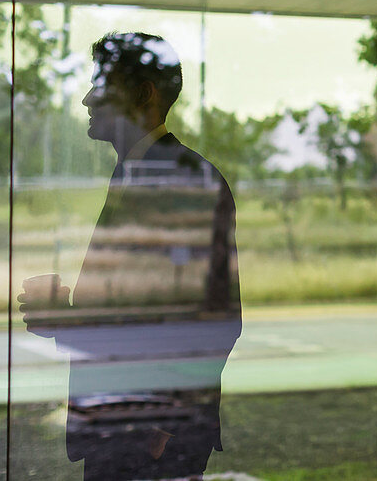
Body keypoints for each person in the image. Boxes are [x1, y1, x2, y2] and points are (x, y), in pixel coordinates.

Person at [19, 32, 241, 481]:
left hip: (148, 438)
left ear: (143, 95)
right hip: (122, 427)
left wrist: (162, 424)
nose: (86, 99)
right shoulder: (140, 171)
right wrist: (61, 320)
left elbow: (216, 315)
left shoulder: (181, 178)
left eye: (100, 85)